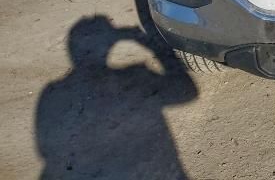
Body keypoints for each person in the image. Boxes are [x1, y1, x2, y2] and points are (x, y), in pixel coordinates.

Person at [36, 16, 198, 179]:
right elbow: (187, 92)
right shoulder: (137, 77)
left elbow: (48, 151)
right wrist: (151, 44)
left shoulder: (54, 94)